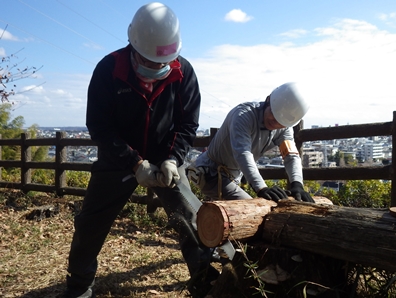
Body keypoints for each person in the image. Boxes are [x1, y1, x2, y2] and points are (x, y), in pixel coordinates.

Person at [63, 3, 218, 298]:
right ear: (133, 44)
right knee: (91, 222)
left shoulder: (184, 72)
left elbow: (188, 123)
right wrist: (134, 163)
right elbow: (99, 127)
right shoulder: (109, 70)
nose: (157, 68)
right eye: (149, 61)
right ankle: (79, 286)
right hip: (119, 158)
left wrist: (173, 159)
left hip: (165, 156)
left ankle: (204, 280)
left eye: (163, 63)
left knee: (189, 216)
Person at [187, 82, 315, 203]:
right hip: (212, 173)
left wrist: (297, 184)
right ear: (268, 99)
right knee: (253, 209)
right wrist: (261, 188)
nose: (275, 122)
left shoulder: (284, 128)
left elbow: (290, 155)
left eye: (280, 122)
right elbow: (243, 153)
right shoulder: (243, 115)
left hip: (234, 176)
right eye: (273, 114)